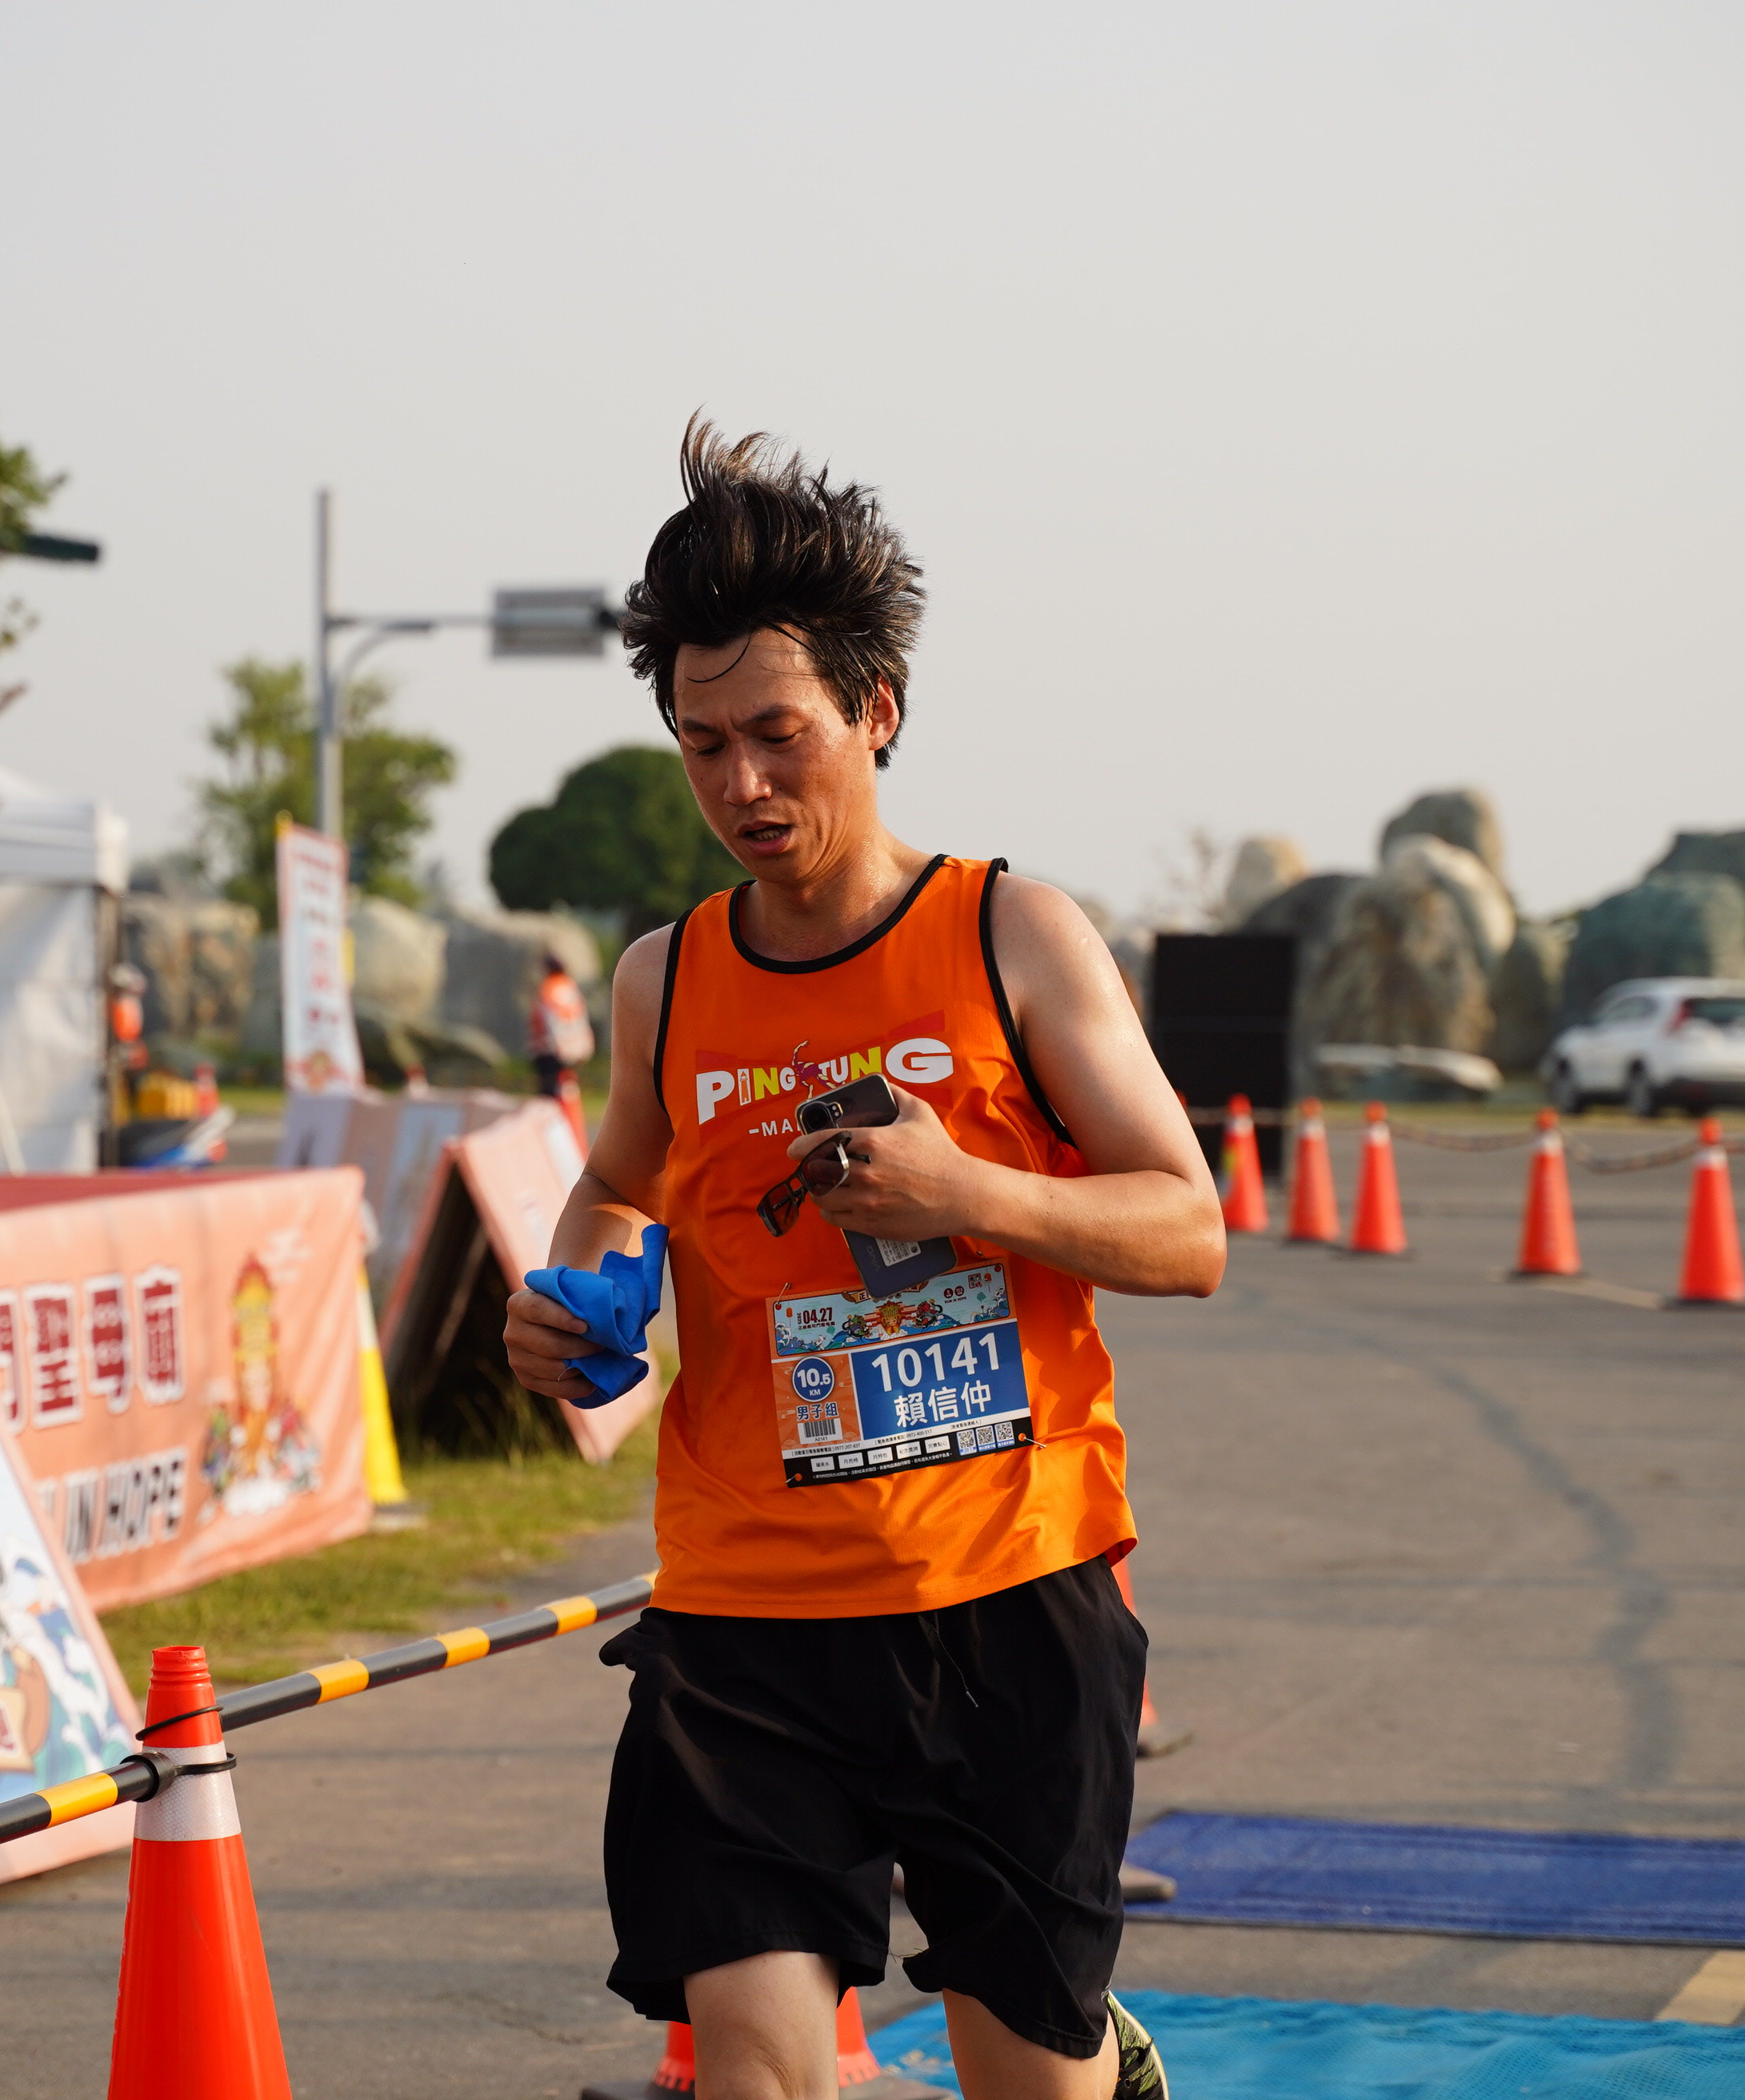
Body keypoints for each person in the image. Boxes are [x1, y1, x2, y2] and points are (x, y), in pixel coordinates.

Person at [501, 423, 1222, 2100]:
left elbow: (1187, 1227)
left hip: (1008, 1600)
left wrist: (972, 1188)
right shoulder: (665, 981)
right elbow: (612, 1188)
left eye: (780, 736)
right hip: (743, 1619)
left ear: (876, 710)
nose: (742, 787)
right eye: (702, 745)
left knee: (1023, 2079)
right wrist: (582, 1303)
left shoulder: (1008, 932)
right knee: (757, 2078)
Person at [529, 948, 598, 1145]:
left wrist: (554, 1047)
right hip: (574, 1051)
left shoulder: (548, 989)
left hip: (552, 1052)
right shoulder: (570, 987)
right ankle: (572, 1136)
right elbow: (580, 1019)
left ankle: (552, 1140)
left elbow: (549, 1022)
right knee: (568, 1094)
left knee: (549, 1100)